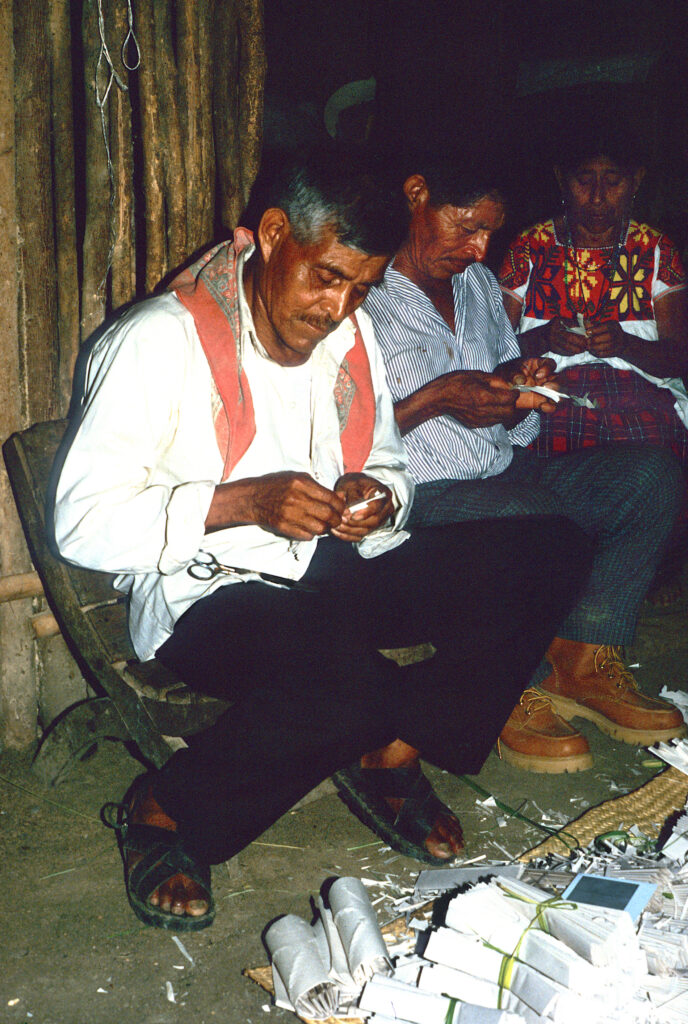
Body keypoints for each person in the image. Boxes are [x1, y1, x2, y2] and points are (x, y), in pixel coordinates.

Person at [53, 148, 591, 931]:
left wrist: (377, 498)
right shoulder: (157, 342)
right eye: (326, 277)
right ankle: (168, 806)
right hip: (211, 591)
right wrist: (241, 503)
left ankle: (393, 753)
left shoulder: (350, 334)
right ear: (274, 234)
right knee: (350, 689)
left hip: (333, 567)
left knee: (549, 549)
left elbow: (387, 464)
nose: (338, 308)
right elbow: (80, 523)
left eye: (361, 287)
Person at [363, 152, 687, 779]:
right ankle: (515, 681)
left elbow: (516, 411)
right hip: (416, 490)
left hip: (504, 470)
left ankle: (583, 660)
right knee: (532, 519)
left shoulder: (478, 287)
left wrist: (518, 388)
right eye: (467, 227)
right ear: (416, 194)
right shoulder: (360, 292)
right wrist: (436, 400)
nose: (480, 250)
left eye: (490, 232)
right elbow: (330, 436)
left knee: (648, 478)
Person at [498, 129, 688, 603]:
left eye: (614, 181)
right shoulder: (529, 248)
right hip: (551, 386)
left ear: (636, 180)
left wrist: (625, 345)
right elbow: (491, 351)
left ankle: (644, 564)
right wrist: (542, 338)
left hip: (636, 389)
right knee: (543, 450)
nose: (599, 197)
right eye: (584, 181)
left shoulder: (656, 250)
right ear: (561, 180)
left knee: (660, 448)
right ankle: (565, 568)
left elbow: (678, 357)